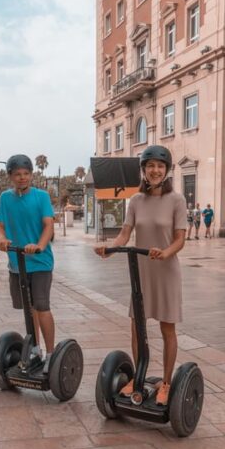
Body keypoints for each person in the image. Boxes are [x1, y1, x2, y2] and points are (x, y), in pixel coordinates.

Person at [94, 145, 186, 406]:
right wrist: (109, 249)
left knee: (167, 327)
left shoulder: (177, 200)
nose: (155, 170)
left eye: (160, 166)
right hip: (141, 271)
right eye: (150, 166)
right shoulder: (135, 200)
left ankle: (166, 383)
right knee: (137, 326)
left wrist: (165, 253)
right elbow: (125, 233)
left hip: (166, 270)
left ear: (166, 170)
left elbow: (180, 240)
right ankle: (139, 375)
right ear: (144, 170)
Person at [0, 154, 56, 361]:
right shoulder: (5, 198)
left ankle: (51, 353)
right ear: (10, 176)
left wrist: (38, 245)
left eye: (26, 174)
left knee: (41, 305)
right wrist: (2, 240)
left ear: (31, 175)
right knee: (29, 309)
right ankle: (35, 348)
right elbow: (0, 227)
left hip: (40, 261)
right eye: (18, 174)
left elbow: (48, 225)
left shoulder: (41, 197)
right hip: (17, 263)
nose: (22, 178)